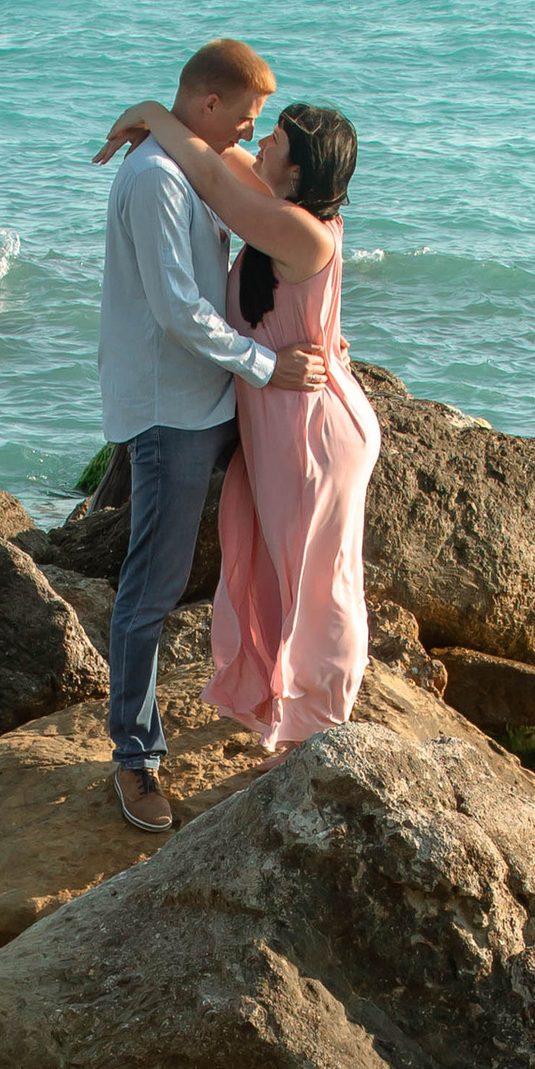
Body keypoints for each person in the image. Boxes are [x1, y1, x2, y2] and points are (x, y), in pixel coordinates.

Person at [88, 38, 324, 833]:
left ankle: (274, 704)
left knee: (270, 555)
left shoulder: (193, 161)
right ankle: (135, 758)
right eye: (245, 120)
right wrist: (268, 365)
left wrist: (154, 112)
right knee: (151, 586)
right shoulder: (156, 178)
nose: (250, 139)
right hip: (173, 411)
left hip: (218, 398)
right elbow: (178, 309)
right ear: (210, 105)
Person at [94, 90, 374, 760]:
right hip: (276, 419)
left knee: (319, 578)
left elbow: (216, 177)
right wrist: (166, 120)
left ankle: (326, 721)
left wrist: (154, 116)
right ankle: (284, 709)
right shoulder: (284, 208)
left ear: (301, 172)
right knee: (271, 569)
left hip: (308, 428)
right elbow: (220, 159)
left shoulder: (299, 229)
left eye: (276, 139)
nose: (261, 145)